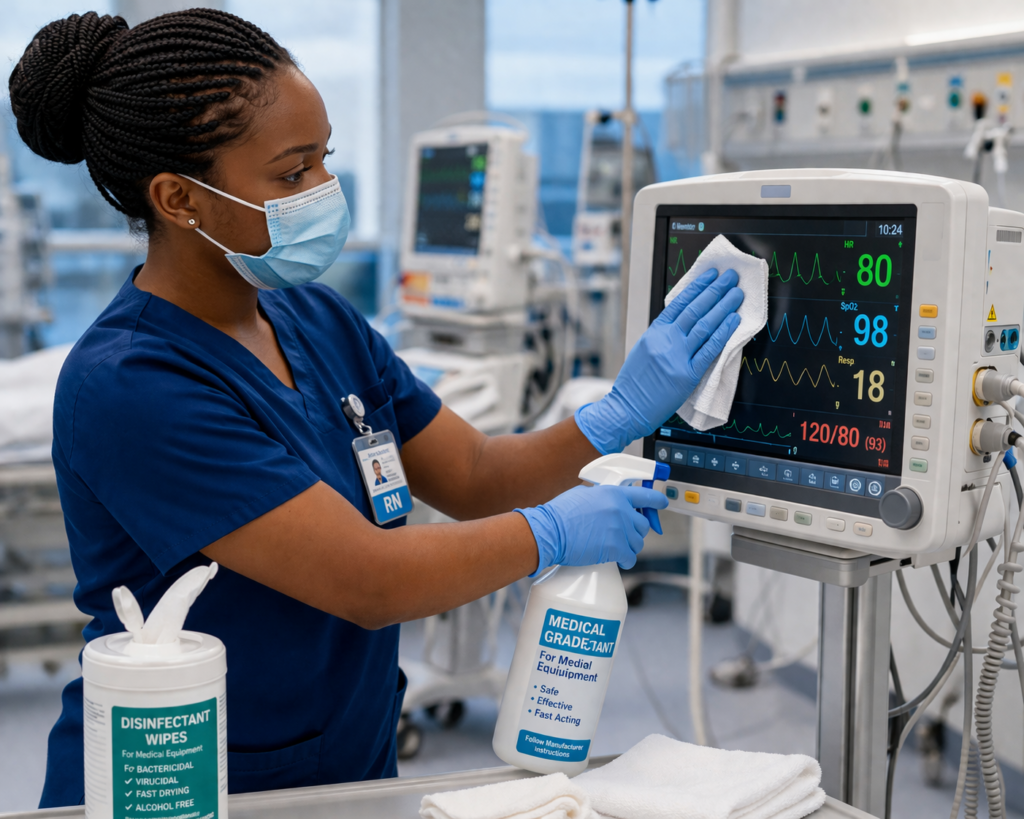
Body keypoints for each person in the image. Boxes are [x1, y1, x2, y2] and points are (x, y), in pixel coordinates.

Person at [8, 9, 743, 807]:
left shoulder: (317, 321)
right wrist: (551, 532)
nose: (324, 192)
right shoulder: (131, 384)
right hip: (184, 783)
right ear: (179, 198)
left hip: (344, 768)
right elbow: (368, 578)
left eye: (325, 161)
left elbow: (472, 473)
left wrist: (619, 411)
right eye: (291, 175)